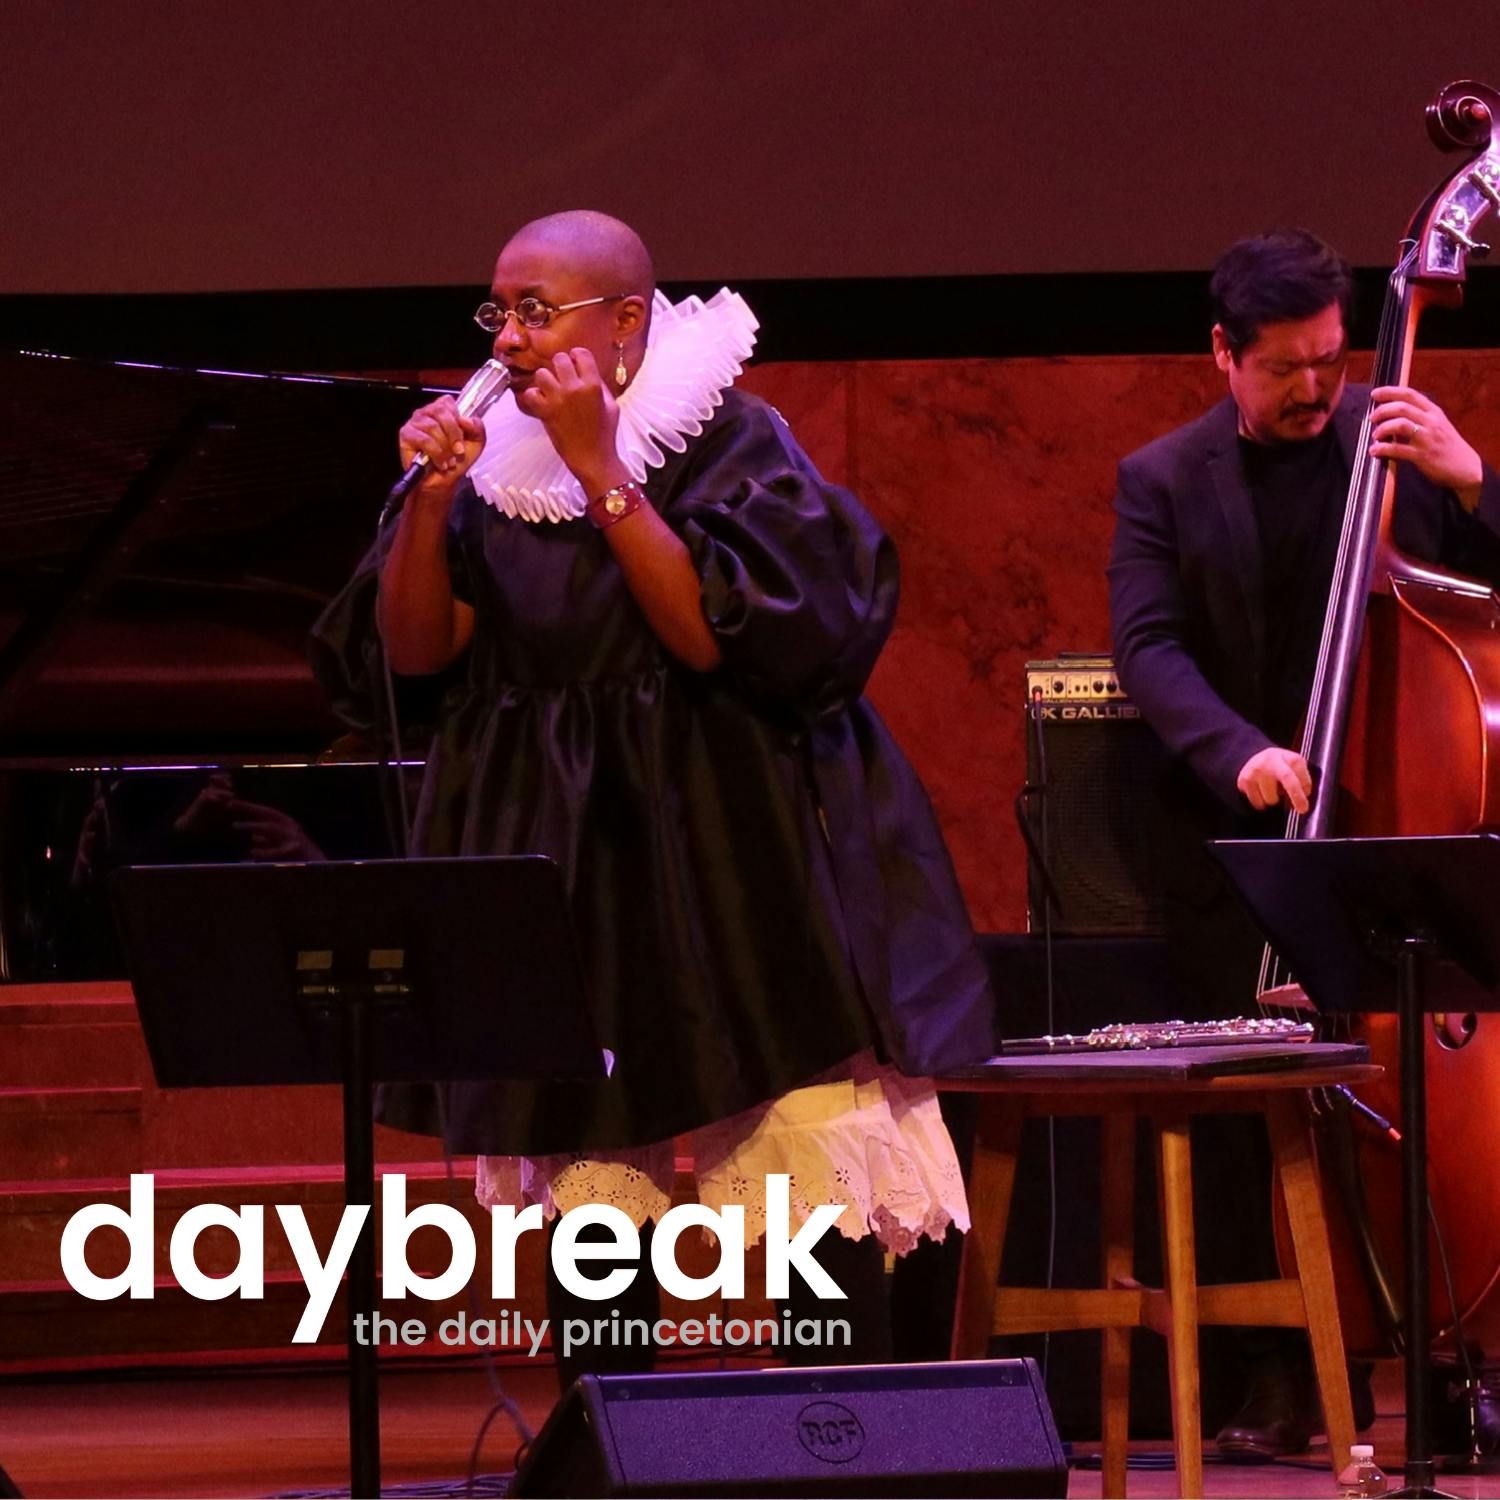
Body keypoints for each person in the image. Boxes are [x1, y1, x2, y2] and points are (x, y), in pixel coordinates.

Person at [309, 210, 994, 1385]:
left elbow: (709, 638)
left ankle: (847, 1449)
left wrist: (600, 467)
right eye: (499, 312)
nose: (511, 339)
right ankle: (608, 1445)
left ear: (626, 320)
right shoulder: (487, 465)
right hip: (565, 843)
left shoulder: (730, 439)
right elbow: (416, 656)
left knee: (804, 1160)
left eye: (539, 311)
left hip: (737, 841)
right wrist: (428, 499)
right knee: (594, 1180)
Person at [1108, 228, 1500, 1457]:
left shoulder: (1399, 451)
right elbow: (1149, 647)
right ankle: (1268, 1384)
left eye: (1331, 361)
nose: (1316, 390)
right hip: (1243, 837)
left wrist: (1478, 480)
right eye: (1284, 368)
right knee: (1246, 1130)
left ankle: (1447, 1349)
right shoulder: (1161, 478)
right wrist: (1243, 752)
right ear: (1223, 353)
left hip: (1396, 824)